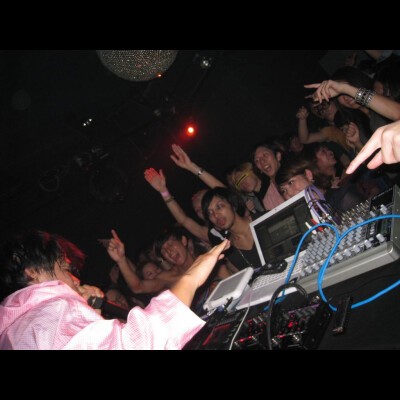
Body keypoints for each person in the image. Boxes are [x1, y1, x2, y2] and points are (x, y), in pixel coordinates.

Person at [0, 229, 230, 349]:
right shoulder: (52, 314)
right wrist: (190, 278)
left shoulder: (16, 329)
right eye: (64, 268)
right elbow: (139, 345)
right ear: (32, 272)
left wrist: (90, 317)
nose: (74, 280)